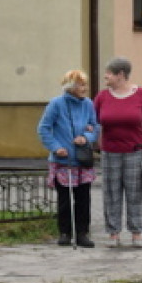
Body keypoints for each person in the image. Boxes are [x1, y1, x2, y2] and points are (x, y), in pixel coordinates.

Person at [94, 57, 142, 246]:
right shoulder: (102, 97)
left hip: (135, 151)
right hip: (109, 152)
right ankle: (113, 233)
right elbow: (93, 120)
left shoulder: (141, 95)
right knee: (111, 193)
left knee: (134, 193)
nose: (105, 76)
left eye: (109, 73)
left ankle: (136, 232)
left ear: (120, 75)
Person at [38, 70, 99, 248]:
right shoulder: (56, 104)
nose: (84, 88)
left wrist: (86, 138)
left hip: (82, 160)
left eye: (85, 84)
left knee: (83, 198)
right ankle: (64, 232)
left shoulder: (88, 104)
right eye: (80, 84)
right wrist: (56, 148)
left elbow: (95, 127)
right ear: (70, 86)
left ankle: (82, 233)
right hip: (62, 161)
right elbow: (43, 128)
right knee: (64, 200)